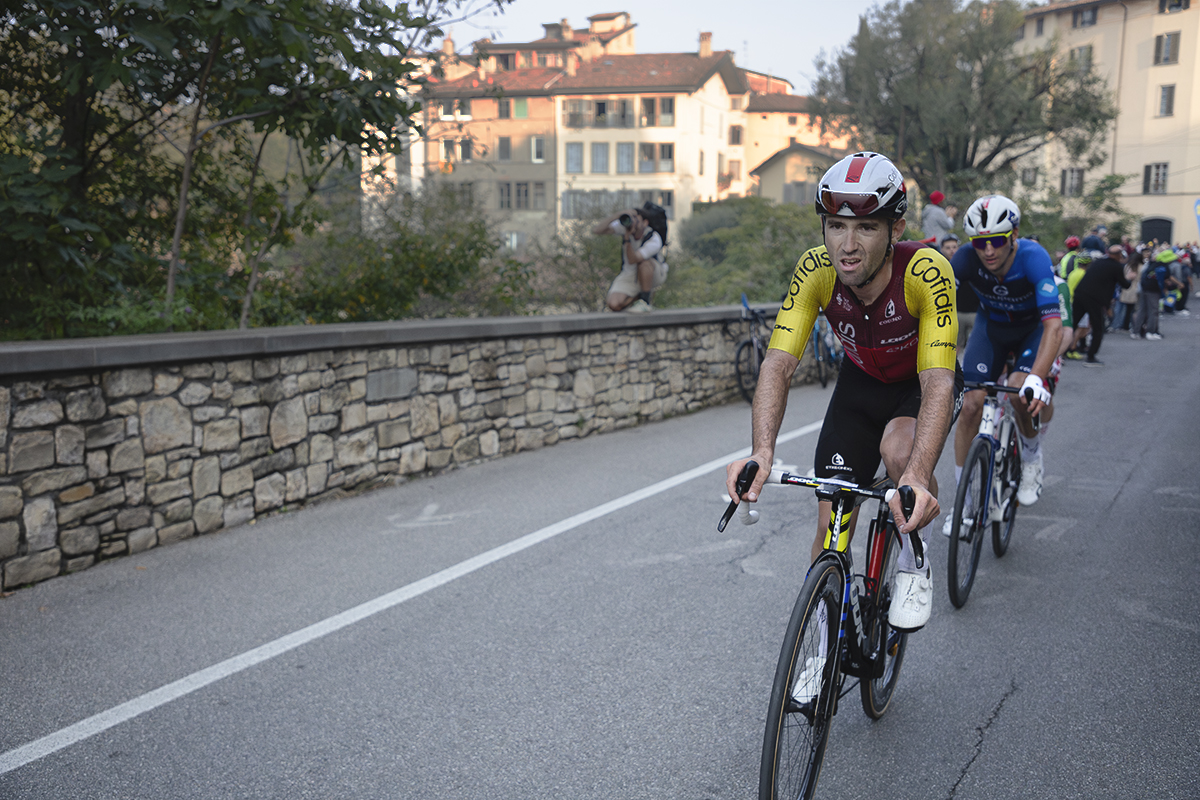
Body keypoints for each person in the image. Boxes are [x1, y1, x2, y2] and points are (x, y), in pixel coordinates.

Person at [726, 151, 961, 635]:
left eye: (866, 228)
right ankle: (821, 646)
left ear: (895, 230)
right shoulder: (815, 269)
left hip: (918, 386)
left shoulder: (925, 271)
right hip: (859, 388)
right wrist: (762, 452)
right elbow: (778, 362)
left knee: (899, 453)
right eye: (835, 226)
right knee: (830, 524)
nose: (846, 245)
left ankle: (916, 561)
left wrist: (917, 474)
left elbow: (938, 381)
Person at [945, 194, 1062, 533]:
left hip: (1031, 332)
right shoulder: (965, 259)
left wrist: (1037, 378)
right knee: (969, 404)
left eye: (997, 240)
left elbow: (1054, 326)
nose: (989, 251)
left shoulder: (1033, 258)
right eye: (980, 243)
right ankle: (965, 503)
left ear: (1014, 234)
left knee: (1016, 392)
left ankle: (1030, 456)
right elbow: (933, 306)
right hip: (991, 329)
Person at [594, 201, 669, 312]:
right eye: (632, 219)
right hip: (629, 273)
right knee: (613, 304)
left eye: (637, 221)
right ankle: (638, 297)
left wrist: (627, 238)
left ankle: (645, 302)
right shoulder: (626, 229)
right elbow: (596, 230)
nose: (633, 223)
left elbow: (633, 259)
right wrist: (618, 215)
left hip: (653, 273)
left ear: (645, 223)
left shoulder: (653, 238)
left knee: (644, 263)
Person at [1070, 245, 1136, 366]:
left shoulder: (1098, 262)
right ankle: (1091, 356)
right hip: (1094, 299)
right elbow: (1125, 285)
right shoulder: (1115, 267)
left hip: (1080, 294)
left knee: (1072, 324)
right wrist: (1130, 278)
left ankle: (1062, 351)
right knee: (1098, 328)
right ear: (1117, 255)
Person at [1133, 249, 1180, 339]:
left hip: (1144, 288)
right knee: (1153, 311)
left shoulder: (1152, 264)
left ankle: (1136, 331)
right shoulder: (1164, 266)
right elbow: (1167, 278)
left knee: (1142, 310)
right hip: (1154, 290)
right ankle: (1150, 332)